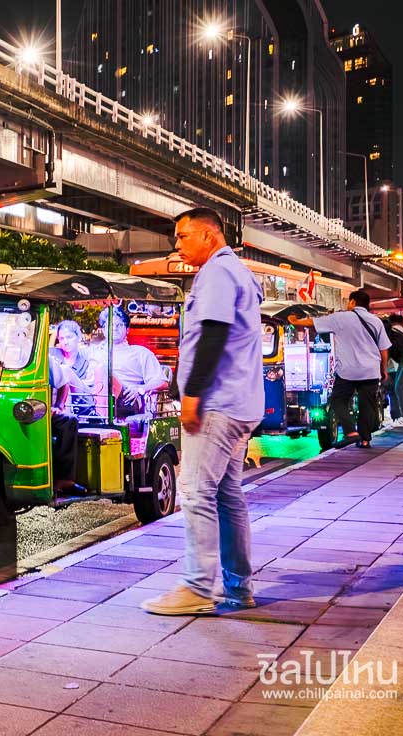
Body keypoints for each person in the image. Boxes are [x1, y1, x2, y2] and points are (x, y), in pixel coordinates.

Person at [143, 207, 263, 617]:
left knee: (194, 493)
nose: (176, 244)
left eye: (182, 235)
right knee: (227, 496)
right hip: (239, 404)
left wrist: (192, 395)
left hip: (218, 404)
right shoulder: (236, 273)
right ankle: (238, 587)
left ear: (209, 236)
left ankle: (197, 587)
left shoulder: (215, 273)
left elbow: (213, 334)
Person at [289, 290, 390, 448]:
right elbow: (383, 348)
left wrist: (294, 321)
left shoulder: (341, 317)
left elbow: (313, 322)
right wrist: (383, 369)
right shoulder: (376, 321)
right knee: (367, 405)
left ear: (352, 302)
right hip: (370, 370)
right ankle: (365, 440)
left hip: (348, 371)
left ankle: (351, 431)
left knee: (337, 401)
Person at [88, 306, 169, 417]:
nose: (114, 328)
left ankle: (102, 423)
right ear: (103, 329)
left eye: (119, 325)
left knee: (103, 370)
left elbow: (162, 382)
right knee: (66, 372)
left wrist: (141, 389)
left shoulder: (140, 353)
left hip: (127, 399)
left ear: (127, 330)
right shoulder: (95, 352)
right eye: (110, 325)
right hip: (93, 397)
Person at [49, 354, 85, 496]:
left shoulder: (43, 358)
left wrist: (58, 406)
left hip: (37, 411)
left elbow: (63, 384)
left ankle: (64, 479)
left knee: (69, 421)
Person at [51, 320, 97, 416]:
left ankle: (60, 410)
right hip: (58, 398)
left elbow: (91, 382)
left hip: (83, 399)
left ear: (78, 337)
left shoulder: (87, 355)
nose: (65, 342)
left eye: (69, 337)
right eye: (62, 338)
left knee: (65, 371)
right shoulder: (53, 354)